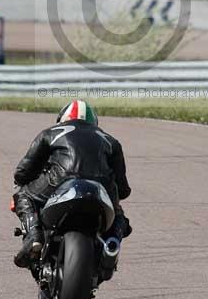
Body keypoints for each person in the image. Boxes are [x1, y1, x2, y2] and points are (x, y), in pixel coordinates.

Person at [12, 100, 132, 268]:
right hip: (100, 188)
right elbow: (123, 189)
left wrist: (24, 180)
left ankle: (33, 235)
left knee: (23, 195)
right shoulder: (110, 140)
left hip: (59, 180)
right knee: (118, 213)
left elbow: (23, 172)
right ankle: (112, 242)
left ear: (62, 118)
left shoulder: (51, 133)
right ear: (94, 122)